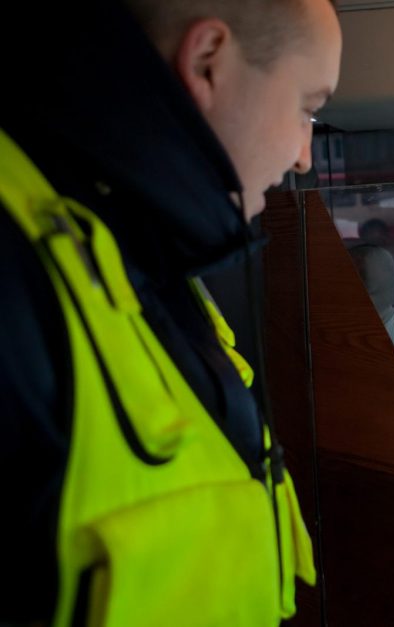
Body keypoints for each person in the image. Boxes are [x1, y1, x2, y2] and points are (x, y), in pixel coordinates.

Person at [0, 0, 340, 625]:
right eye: (307, 109)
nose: (304, 156)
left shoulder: (145, 262)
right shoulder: (18, 267)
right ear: (208, 61)